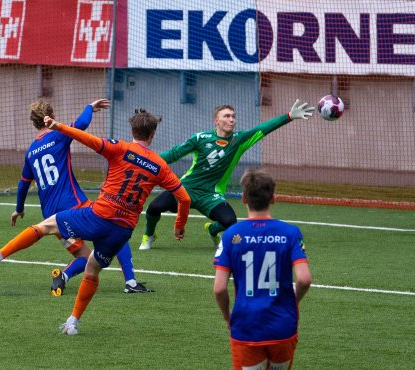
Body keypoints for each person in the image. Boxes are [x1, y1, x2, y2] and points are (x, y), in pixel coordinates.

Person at [31, 108, 191, 335]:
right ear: (153, 134)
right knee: (93, 268)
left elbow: (87, 139)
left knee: (49, 225)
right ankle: (74, 320)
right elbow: (184, 198)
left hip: (99, 216)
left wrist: (59, 127)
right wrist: (179, 226)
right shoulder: (159, 165)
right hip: (122, 229)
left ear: (132, 130)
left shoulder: (120, 148)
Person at [0, 99, 151, 295]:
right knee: (115, 232)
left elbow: (23, 184)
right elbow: (81, 124)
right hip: (74, 205)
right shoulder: (58, 136)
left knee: (84, 256)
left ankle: (61, 276)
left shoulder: (31, 152)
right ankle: (131, 282)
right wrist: (90, 107)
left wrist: (19, 209)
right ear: (52, 117)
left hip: (51, 215)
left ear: (33, 122)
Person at [139, 99, 314, 250]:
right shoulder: (200, 138)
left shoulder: (239, 140)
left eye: (233, 116)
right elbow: (173, 154)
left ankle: (212, 230)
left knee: (230, 221)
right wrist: (144, 160)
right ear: (216, 121)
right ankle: (149, 235)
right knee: (154, 208)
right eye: (227, 116)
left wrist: (289, 116)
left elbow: (263, 128)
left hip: (211, 195)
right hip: (186, 188)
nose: (232, 120)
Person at [213, 168, 311, 370]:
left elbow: (219, 288)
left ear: (243, 198)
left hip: (246, 326)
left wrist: (227, 317)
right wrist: (293, 301)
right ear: (273, 198)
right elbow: (304, 279)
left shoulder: (231, 235)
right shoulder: (290, 233)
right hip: (283, 325)